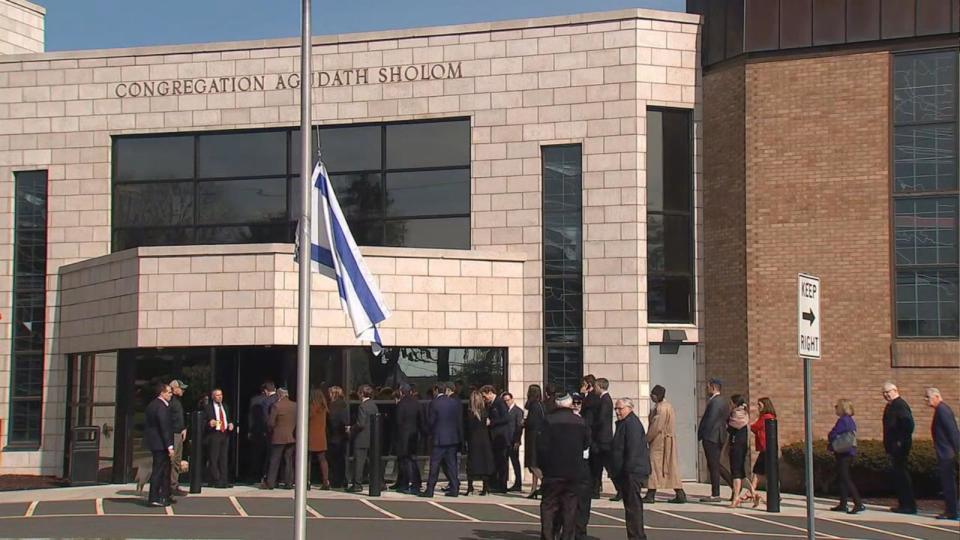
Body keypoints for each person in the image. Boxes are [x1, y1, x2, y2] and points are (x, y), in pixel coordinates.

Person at [538, 393, 591, 540]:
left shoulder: (548, 421)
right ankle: (567, 536)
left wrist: (544, 468)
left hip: (553, 471)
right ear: (569, 405)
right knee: (570, 507)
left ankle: (548, 536)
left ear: (557, 405)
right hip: (574, 471)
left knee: (549, 505)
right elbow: (586, 443)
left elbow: (542, 447)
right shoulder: (580, 422)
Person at [611, 398, 651, 540]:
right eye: (616, 409)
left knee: (633, 507)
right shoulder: (624, 423)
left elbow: (632, 450)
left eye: (620, 409)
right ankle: (635, 535)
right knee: (630, 507)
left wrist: (627, 472)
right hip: (627, 472)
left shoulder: (631, 424)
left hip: (632, 472)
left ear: (630, 408)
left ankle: (637, 536)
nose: (617, 412)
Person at [644, 385, 686, 504]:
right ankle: (679, 493)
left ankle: (650, 494)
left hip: (660, 442)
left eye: (652, 394)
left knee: (654, 465)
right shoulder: (667, 406)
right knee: (670, 467)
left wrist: (646, 439)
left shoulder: (661, 409)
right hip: (666, 441)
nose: (651, 396)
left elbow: (656, 427)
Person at [421, 382, 462, 498]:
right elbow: (458, 421)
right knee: (452, 465)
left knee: (434, 466)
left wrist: (427, 432)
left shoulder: (434, 403)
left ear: (436, 390)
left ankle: (430, 490)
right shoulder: (454, 403)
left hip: (438, 439)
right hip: (452, 438)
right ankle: (454, 489)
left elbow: (431, 422)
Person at [881, 382, 916, 514]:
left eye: (888, 392)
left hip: (900, 448)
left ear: (895, 390)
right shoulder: (890, 406)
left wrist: (900, 441)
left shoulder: (900, 405)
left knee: (902, 476)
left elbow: (908, 424)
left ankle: (909, 505)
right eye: (883, 393)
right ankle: (903, 503)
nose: (886, 395)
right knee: (898, 476)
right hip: (893, 447)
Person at [926, 387, 960, 520]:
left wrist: (957, 450)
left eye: (927, 397)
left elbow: (952, 431)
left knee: (949, 484)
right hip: (945, 452)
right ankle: (950, 510)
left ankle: (951, 512)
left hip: (947, 454)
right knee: (947, 483)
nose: (926, 400)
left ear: (936, 397)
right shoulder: (940, 410)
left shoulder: (942, 410)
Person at [827, 398, 864, 514]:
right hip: (848, 452)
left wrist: (831, 438)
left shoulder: (843, 421)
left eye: (837, 406)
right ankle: (843, 503)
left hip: (844, 453)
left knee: (846, 478)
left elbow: (833, 433)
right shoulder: (850, 420)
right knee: (842, 478)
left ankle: (858, 503)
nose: (835, 408)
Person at [144, 383, 175, 507]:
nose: (170, 395)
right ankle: (154, 497)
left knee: (163, 470)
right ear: (162, 393)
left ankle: (164, 495)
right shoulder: (161, 407)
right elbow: (164, 427)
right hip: (160, 444)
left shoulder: (153, 405)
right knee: (159, 471)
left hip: (156, 443)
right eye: (168, 392)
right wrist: (170, 446)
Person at [697, 378, 728, 502]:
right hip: (717, 436)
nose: (707, 389)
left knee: (713, 465)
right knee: (714, 464)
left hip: (712, 437)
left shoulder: (716, 402)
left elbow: (710, 420)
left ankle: (716, 494)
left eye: (708, 387)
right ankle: (733, 483)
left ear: (714, 387)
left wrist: (703, 434)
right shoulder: (722, 401)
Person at [348, 384, 378, 493]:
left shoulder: (362, 406)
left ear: (361, 393)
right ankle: (379, 481)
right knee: (371, 461)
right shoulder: (373, 405)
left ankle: (357, 484)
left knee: (359, 462)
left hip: (361, 438)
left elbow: (360, 424)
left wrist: (351, 428)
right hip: (371, 437)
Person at [571, 392, 593, 540]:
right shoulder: (569, 421)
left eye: (579, 403)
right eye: (574, 403)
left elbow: (588, 440)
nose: (576, 406)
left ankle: (580, 531)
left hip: (584, 461)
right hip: (572, 462)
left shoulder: (585, 420)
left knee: (583, 500)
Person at [481, 385, 511, 493]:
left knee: (502, 462)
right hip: (494, 438)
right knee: (496, 461)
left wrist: (492, 422)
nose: (485, 399)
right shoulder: (491, 404)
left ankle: (502, 486)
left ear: (489, 392)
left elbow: (506, 418)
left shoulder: (499, 403)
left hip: (501, 438)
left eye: (485, 396)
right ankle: (495, 483)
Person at [393, 383, 422, 494]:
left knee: (405, 462)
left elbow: (398, 422)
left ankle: (405, 484)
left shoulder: (401, 404)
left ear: (401, 392)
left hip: (403, 437)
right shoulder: (416, 403)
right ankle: (416, 483)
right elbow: (421, 419)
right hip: (414, 435)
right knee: (413, 460)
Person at [265, 388, 296, 489]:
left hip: (278, 437)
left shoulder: (276, 406)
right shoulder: (295, 405)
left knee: (275, 460)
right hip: (292, 436)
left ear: (279, 395)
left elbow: (271, 422)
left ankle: (271, 483)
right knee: (289, 460)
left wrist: (270, 430)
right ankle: (289, 483)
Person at [727, 393, 754, 508]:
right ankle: (754, 493)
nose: (729, 405)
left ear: (735, 403)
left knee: (736, 473)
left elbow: (731, 426)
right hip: (742, 445)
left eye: (731, 402)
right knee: (741, 473)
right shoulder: (745, 413)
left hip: (737, 445)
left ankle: (736, 497)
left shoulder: (736, 415)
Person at [247, 381, 278, 484]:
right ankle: (272, 477)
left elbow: (252, 416)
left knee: (258, 455)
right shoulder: (279, 399)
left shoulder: (256, 400)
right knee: (271, 456)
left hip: (260, 430)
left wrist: (251, 430)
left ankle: (257, 475)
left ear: (265, 390)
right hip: (273, 432)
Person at [748, 397, 776, 509]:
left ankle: (754, 493)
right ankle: (752, 493)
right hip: (766, 448)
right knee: (758, 471)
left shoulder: (766, 417)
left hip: (766, 448)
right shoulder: (768, 416)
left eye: (760, 405)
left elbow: (755, 427)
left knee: (761, 471)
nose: (758, 408)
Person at [465, 390, 495, 496]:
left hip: (474, 440)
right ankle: (485, 488)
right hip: (484, 440)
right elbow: (488, 423)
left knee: (472, 463)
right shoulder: (484, 411)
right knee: (484, 463)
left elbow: (467, 428)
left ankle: (470, 487)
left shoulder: (469, 412)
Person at [204, 388, 234, 488]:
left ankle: (224, 480)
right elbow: (203, 422)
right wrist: (209, 423)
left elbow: (227, 419)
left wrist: (230, 424)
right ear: (213, 397)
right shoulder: (208, 407)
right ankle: (215, 479)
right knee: (214, 457)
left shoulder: (225, 406)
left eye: (221, 395)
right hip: (214, 434)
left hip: (224, 434)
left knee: (224, 458)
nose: (220, 397)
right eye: (217, 395)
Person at [591, 378, 615, 500]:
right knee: (597, 466)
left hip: (603, 439)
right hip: (600, 439)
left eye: (595, 386)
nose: (594, 388)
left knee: (609, 467)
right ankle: (595, 490)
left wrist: (591, 427)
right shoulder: (602, 399)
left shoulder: (605, 400)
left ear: (600, 386)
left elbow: (601, 419)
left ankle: (620, 489)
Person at [524, 384, 546, 499]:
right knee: (535, 463)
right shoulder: (541, 404)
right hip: (538, 436)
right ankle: (533, 488)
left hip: (533, 437)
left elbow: (531, 422)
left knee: (532, 464)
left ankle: (546, 482)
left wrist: (524, 422)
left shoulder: (533, 406)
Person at [167, 379, 188, 497]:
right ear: (174, 388)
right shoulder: (170, 401)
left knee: (177, 461)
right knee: (172, 460)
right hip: (173, 433)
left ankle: (174, 485)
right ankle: (169, 486)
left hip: (179, 432)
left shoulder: (178, 401)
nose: (183, 390)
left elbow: (179, 417)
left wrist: (183, 428)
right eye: (181, 388)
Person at [326, 386, 350, 489]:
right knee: (341, 460)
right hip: (341, 436)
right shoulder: (344, 404)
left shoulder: (333, 406)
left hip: (334, 436)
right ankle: (341, 479)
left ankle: (336, 480)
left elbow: (332, 421)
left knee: (335, 460)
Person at [308, 387, 330, 490]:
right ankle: (326, 481)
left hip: (310, 436)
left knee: (307, 459)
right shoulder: (324, 408)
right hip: (321, 436)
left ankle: (306, 481)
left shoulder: (311, 407)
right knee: (322, 459)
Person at [505, 391, 525, 492]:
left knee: (515, 462)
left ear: (512, 399)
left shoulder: (518, 411)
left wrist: (517, 440)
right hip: (505, 440)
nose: (506, 402)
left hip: (513, 440)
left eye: (508, 400)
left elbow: (519, 427)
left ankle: (518, 483)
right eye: (505, 401)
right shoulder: (505, 410)